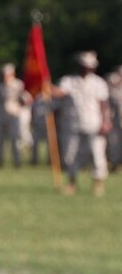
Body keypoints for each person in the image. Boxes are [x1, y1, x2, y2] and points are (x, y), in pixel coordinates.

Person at [53, 51, 110, 196]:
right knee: (70, 155)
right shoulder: (68, 81)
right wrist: (49, 88)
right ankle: (72, 184)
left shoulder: (99, 83)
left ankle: (98, 184)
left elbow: (103, 104)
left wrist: (106, 122)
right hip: (71, 124)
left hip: (94, 124)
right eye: (84, 66)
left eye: (89, 66)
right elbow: (59, 93)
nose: (86, 69)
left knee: (97, 154)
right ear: (79, 65)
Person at [0, 63, 24, 168]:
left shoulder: (19, 85)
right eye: (4, 74)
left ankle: (17, 161)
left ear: (13, 74)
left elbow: (25, 99)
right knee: (0, 139)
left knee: (15, 138)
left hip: (14, 114)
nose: (5, 76)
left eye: (7, 74)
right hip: (0, 115)